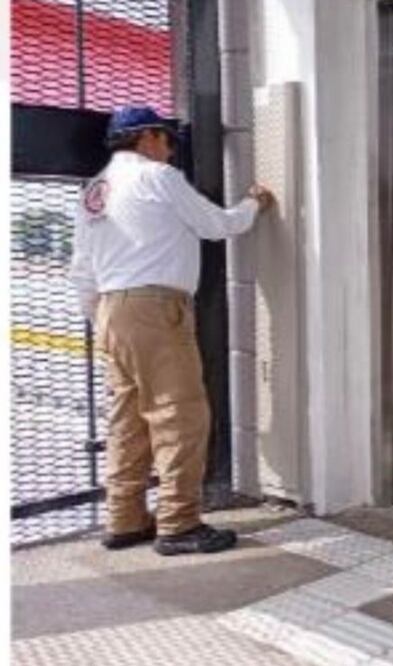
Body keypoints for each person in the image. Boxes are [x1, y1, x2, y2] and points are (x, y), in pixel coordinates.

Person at [69, 105, 275, 557]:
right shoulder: (158, 178)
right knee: (179, 415)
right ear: (147, 137)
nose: (171, 150)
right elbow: (217, 226)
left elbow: (81, 270)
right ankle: (179, 523)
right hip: (155, 308)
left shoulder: (93, 191)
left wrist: (104, 321)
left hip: (110, 310)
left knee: (127, 420)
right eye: (167, 140)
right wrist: (254, 203)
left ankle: (124, 519)